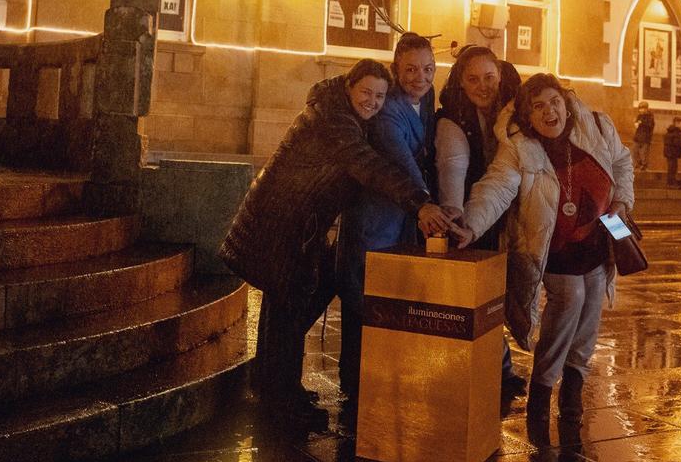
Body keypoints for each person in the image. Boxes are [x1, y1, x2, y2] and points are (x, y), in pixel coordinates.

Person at [220, 59, 455, 428]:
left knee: (286, 305)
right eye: (366, 92)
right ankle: (282, 404)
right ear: (349, 86)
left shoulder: (339, 112)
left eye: (380, 95)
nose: (373, 101)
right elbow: (366, 166)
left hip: (294, 221)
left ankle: (275, 387)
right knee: (288, 307)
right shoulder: (335, 121)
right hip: (285, 222)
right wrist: (419, 202)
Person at [452, 73, 634, 446]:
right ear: (527, 115)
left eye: (554, 102)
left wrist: (622, 202)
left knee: (591, 306)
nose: (549, 111)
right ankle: (543, 388)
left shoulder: (597, 126)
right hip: (553, 248)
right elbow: (497, 188)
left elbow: (622, 163)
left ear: (565, 103)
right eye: (538, 107)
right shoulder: (520, 148)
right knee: (572, 299)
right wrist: (469, 225)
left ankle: (573, 389)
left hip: (599, 242)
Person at [336, 34, 437, 405]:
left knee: (388, 299)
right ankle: (354, 385)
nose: (420, 77)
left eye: (427, 69)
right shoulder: (388, 110)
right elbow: (404, 164)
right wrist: (427, 203)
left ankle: (376, 378)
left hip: (402, 220)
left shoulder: (426, 100)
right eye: (410, 69)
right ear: (396, 70)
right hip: (375, 219)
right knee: (362, 299)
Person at [432, 45, 525, 398]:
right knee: (473, 296)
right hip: (470, 215)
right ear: (461, 82)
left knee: (496, 296)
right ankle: (493, 369)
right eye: (473, 79)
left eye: (489, 77)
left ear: (500, 77)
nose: (482, 86)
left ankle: (499, 367)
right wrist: (456, 212)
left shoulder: (515, 112)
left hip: (504, 214)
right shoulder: (453, 117)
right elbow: (452, 164)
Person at [632, 101, 654, 171]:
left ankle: (644, 166)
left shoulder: (650, 117)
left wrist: (641, 123)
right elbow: (637, 125)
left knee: (644, 153)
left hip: (645, 138)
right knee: (635, 151)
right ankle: (637, 165)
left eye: (643, 109)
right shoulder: (639, 116)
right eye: (640, 109)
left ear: (647, 109)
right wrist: (636, 123)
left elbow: (649, 126)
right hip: (638, 137)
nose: (641, 110)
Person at [663, 116, 681, 188]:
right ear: (677, 123)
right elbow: (677, 143)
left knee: (671, 168)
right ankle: (671, 183)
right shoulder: (677, 132)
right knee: (673, 168)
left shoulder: (670, 131)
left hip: (669, 152)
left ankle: (670, 183)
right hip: (673, 153)